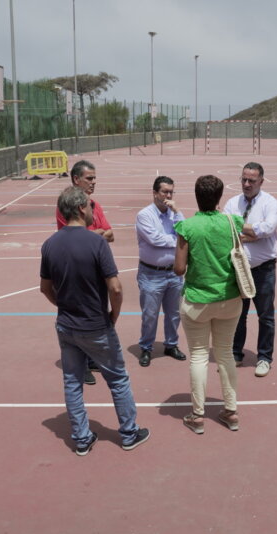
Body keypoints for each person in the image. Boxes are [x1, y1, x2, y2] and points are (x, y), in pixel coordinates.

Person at [41, 186, 150, 456]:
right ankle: (128, 432)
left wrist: (63, 305)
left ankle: (81, 437)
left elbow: (45, 288)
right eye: (90, 207)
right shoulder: (96, 243)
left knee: (72, 382)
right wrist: (114, 313)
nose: (93, 211)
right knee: (117, 379)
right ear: (80, 208)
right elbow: (115, 287)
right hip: (95, 324)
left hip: (66, 325)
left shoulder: (50, 244)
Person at [174, 175, 244, 434]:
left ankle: (198, 415)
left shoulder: (187, 227)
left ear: (196, 196)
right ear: (219, 197)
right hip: (229, 298)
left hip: (197, 300)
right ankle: (231, 411)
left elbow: (179, 268)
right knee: (225, 354)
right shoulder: (232, 222)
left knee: (199, 356)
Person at [56, 159, 113, 385]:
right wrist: (98, 234)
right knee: (77, 316)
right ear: (76, 179)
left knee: (96, 313)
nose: (93, 182)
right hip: (75, 271)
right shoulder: (65, 206)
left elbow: (110, 233)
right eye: (89, 178)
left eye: (94, 178)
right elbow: (79, 238)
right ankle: (80, 364)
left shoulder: (95, 205)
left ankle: (90, 360)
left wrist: (95, 233)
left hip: (96, 270)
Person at [223, 162, 277, 378]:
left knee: (265, 315)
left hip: (264, 270)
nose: (246, 184)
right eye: (244, 179)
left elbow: (268, 228)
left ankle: (264, 357)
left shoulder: (270, 203)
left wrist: (240, 228)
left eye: (251, 181)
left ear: (261, 182)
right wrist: (252, 233)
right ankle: (236, 354)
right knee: (238, 314)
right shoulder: (232, 202)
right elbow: (225, 229)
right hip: (238, 268)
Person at [135, 176, 187, 367]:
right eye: (164, 191)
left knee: (174, 313)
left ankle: (171, 344)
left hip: (174, 272)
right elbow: (155, 239)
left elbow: (186, 231)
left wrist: (178, 211)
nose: (168, 195)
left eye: (171, 192)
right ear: (155, 193)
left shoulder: (174, 214)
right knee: (150, 315)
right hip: (151, 274)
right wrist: (177, 241)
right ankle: (146, 347)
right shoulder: (144, 215)